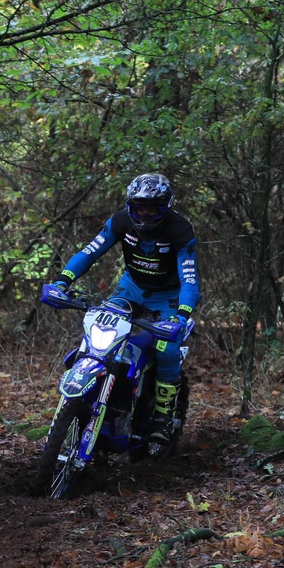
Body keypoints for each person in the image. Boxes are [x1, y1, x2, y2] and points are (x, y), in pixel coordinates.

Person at [41, 172, 199, 452]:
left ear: (166, 207)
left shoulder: (180, 231)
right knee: (102, 329)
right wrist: (62, 282)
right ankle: (94, 393)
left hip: (169, 296)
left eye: (152, 209)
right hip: (131, 288)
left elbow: (189, 279)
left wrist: (182, 315)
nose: (145, 215)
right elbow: (90, 252)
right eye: (139, 208)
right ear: (130, 206)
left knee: (167, 347)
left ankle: (163, 418)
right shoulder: (120, 222)